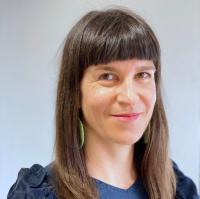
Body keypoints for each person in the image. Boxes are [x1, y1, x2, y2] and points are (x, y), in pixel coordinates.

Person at [7, 7, 199, 199]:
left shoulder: (177, 188)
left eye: (143, 75)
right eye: (107, 76)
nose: (130, 97)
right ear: (74, 92)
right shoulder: (39, 195)